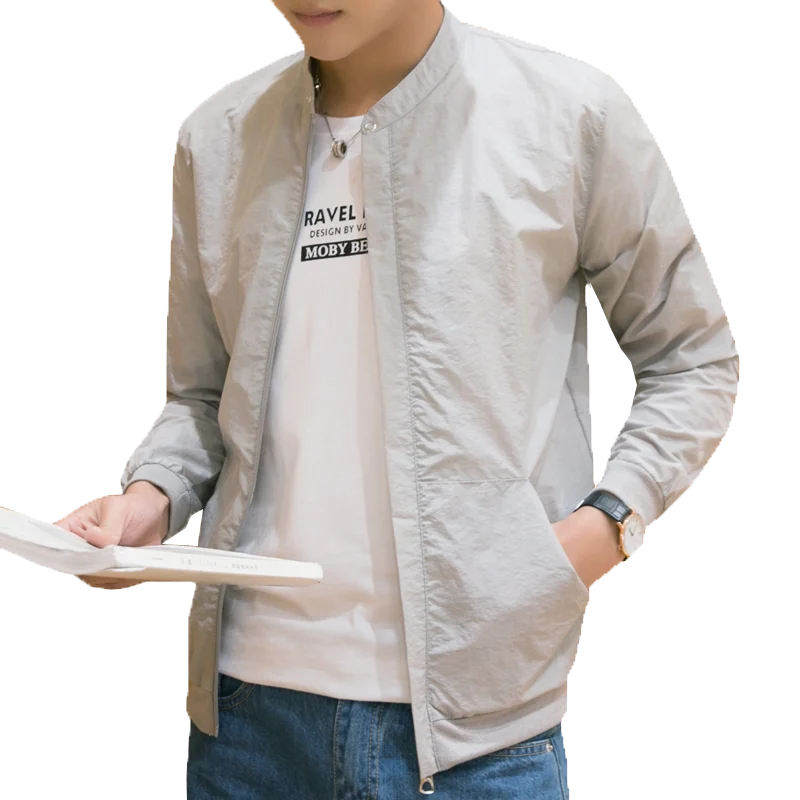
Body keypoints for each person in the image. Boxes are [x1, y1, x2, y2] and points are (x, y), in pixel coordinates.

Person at [54, 0, 740, 796]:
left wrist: (606, 528)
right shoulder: (217, 140)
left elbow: (694, 358)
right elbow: (205, 395)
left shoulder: (568, 116)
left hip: (480, 733)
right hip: (246, 723)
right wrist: (149, 499)